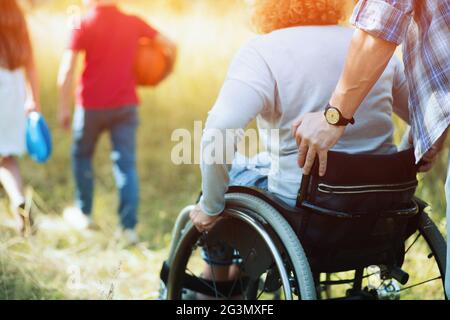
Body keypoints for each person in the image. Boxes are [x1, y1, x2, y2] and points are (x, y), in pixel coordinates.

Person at [188, 0, 411, 297]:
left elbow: (219, 132)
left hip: (302, 213)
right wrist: (410, 151)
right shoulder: (370, 49)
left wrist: (211, 206)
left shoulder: (263, 52)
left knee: (222, 183)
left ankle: (215, 287)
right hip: (381, 210)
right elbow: (425, 116)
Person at [291, 0, 450, 296]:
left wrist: (334, 116)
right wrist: (431, 128)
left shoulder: (263, 50)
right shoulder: (390, 65)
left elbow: (381, 21)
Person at [57, 0, 175, 244]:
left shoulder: (82, 22)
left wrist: (62, 108)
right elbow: (171, 44)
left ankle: (83, 213)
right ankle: (128, 229)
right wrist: (164, 72)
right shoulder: (132, 22)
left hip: (90, 105)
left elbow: (67, 68)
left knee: (82, 156)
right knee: (125, 165)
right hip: (125, 105)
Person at [0, 0, 41, 235]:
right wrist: (33, 100)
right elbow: (31, 63)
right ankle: (18, 202)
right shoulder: (16, 16)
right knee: (8, 158)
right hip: (15, 88)